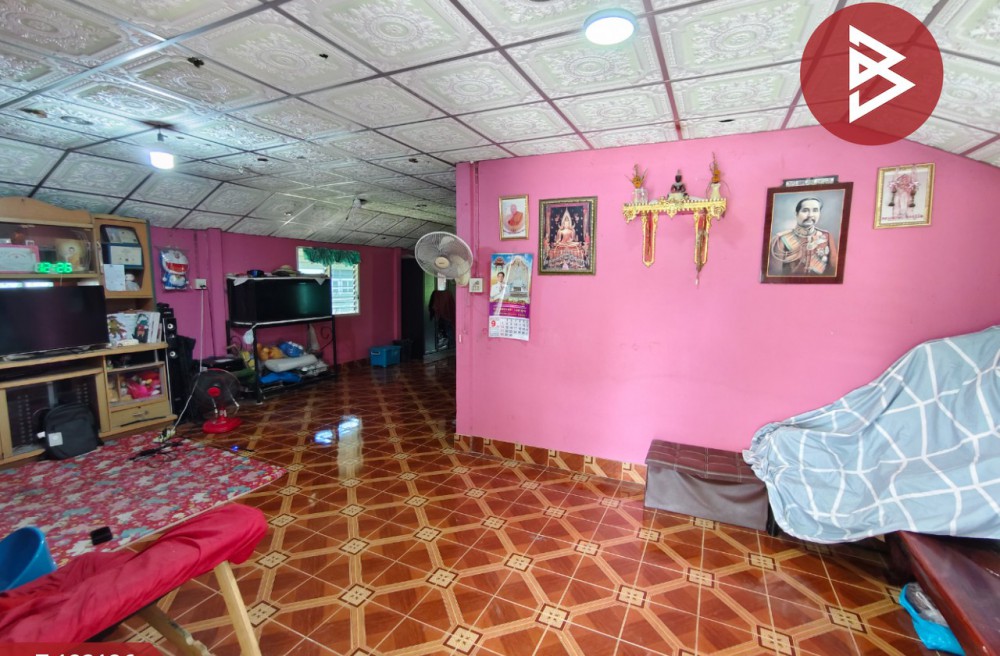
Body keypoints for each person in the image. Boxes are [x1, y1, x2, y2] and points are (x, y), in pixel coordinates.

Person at [769, 197, 838, 276]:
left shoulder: (826, 237)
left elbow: (833, 270)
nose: (810, 215)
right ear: (796, 213)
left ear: (819, 214)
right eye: (805, 210)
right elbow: (775, 274)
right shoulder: (781, 239)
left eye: (815, 210)